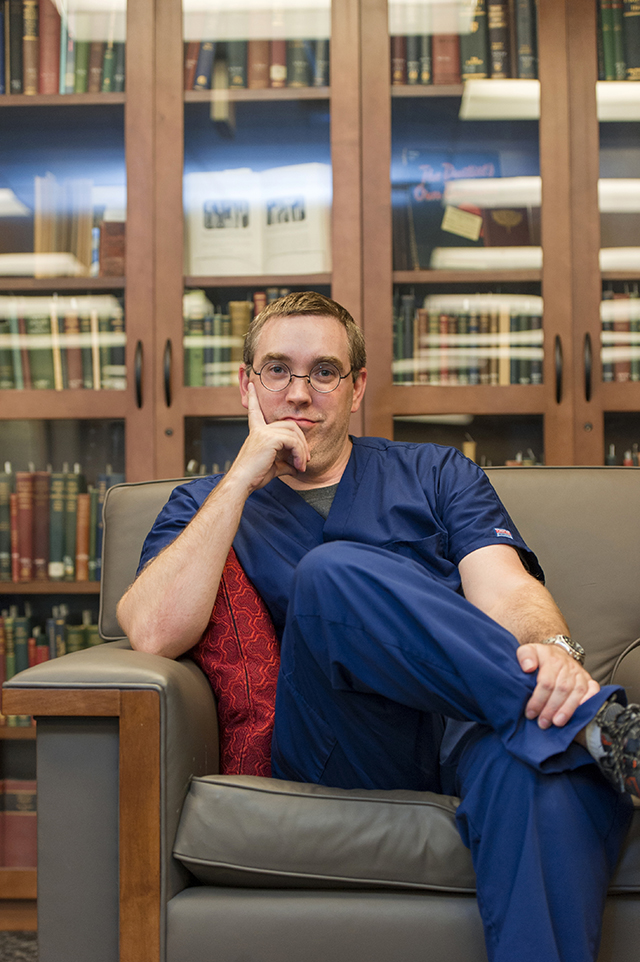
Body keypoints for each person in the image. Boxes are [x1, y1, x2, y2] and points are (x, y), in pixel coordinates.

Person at [118, 291, 639, 962]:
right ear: (246, 385)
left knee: (541, 775)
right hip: (340, 742)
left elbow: (506, 587)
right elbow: (155, 632)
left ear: (357, 386)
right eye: (277, 370)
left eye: (324, 372)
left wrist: (553, 651)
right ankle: (598, 725)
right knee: (331, 575)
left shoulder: (435, 473)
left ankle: (583, 735)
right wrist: (245, 474)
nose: (300, 393)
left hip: (471, 728)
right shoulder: (204, 506)